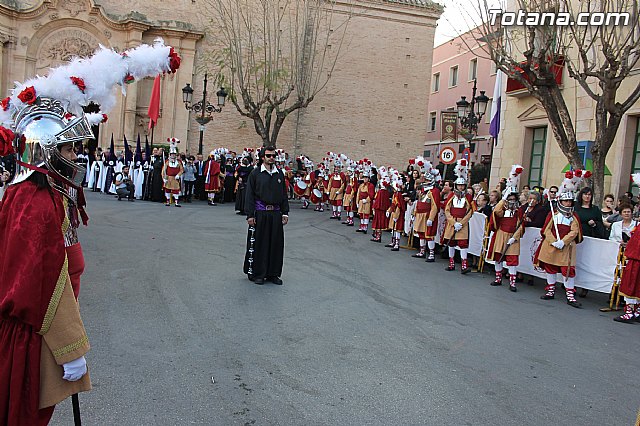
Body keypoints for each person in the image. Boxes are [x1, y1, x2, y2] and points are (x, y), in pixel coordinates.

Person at [1, 99, 93, 424]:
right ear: (47, 152)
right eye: (68, 150)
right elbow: (45, 281)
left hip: (38, 331)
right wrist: (70, 347)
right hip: (34, 334)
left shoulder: (44, 195)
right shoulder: (35, 205)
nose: (74, 156)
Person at [534, 169, 587, 308]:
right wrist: (554, 242)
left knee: (568, 270)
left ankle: (570, 294)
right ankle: (550, 290)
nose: (568, 203)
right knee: (550, 268)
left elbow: (575, 232)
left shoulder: (574, 216)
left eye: (570, 201)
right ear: (560, 201)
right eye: (566, 201)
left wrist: (563, 242)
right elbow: (546, 229)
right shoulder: (554, 214)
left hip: (566, 248)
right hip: (552, 246)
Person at [243, 146, 289, 285]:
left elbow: (283, 195)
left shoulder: (279, 174)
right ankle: (259, 273)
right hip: (260, 213)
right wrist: (250, 215)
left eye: (273, 155)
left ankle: (273, 274)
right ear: (263, 157)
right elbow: (249, 195)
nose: (271, 158)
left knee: (276, 244)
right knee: (260, 244)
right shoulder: (256, 174)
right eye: (268, 156)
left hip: (275, 214)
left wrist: (285, 212)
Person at [486, 165, 525, 291]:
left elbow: (521, 225)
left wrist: (515, 237)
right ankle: (498, 278)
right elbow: (496, 211)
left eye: (514, 199)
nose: (512, 201)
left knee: (512, 260)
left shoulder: (519, 211)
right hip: (501, 234)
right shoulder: (502, 209)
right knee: (499, 257)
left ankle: (512, 283)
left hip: (513, 237)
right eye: (510, 199)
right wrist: (503, 199)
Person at [443, 159, 475, 274]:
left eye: (463, 186)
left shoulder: (468, 197)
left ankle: (464, 265)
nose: (461, 187)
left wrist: (461, 223)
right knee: (451, 243)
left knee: (463, 244)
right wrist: (453, 222)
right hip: (453, 223)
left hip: (463, 224)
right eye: (459, 185)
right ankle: (451, 263)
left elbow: (470, 211)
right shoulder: (451, 195)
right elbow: (447, 210)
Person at [410, 158, 440, 261]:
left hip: (427, 215)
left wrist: (431, 218)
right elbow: (419, 202)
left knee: (429, 234)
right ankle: (422, 251)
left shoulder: (434, 191)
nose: (424, 181)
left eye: (426, 180)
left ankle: (431, 254)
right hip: (420, 215)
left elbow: (435, 206)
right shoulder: (423, 189)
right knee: (421, 233)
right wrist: (414, 213)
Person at [370, 167, 392, 243]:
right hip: (381, 204)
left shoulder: (382, 191)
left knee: (379, 221)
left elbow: (378, 200)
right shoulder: (382, 190)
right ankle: (377, 235)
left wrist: (374, 207)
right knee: (378, 220)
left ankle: (378, 236)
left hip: (380, 206)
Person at [385, 175, 407, 251]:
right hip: (394, 213)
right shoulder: (395, 194)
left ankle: (397, 244)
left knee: (397, 230)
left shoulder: (399, 195)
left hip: (398, 215)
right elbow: (393, 204)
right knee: (393, 229)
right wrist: (389, 211)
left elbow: (399, 206)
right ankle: (393, 242)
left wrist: (396, 216)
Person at [162, 141, 183, 207]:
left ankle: (176, 202)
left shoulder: (179, 162)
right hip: (168, 178)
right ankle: (168, 201)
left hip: (175, 178)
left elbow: (182, 170)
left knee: (176, 190)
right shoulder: (167, 162)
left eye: (174, 154)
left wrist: (178, 175)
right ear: (170, 155)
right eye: (172, 154)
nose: (173, 155)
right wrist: (164, 178)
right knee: (167, 190)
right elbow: (163, 171)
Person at [356, 166, 375, 234]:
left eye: (366, 178)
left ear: (368, 178)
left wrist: (366, 200)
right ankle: (361, 226)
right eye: (364, 177)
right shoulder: (361, 185)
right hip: (361, 201)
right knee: (361, 214)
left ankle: (365, 227)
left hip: (367, 202)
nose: (365, 179)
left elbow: (371, 195)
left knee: (366, 214)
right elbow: (358, 193)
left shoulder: (371, 185)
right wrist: (357, 202)